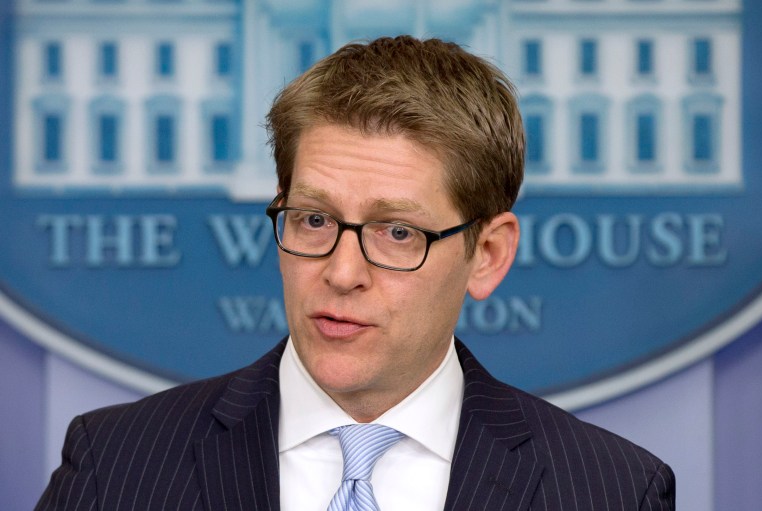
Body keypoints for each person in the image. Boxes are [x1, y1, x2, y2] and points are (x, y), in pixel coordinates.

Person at [36, 35, 675, 510]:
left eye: (397, 233)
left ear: (487, 255)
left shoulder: (612, 489)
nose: (343, 273)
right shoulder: (115, 466)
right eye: (314, 219)